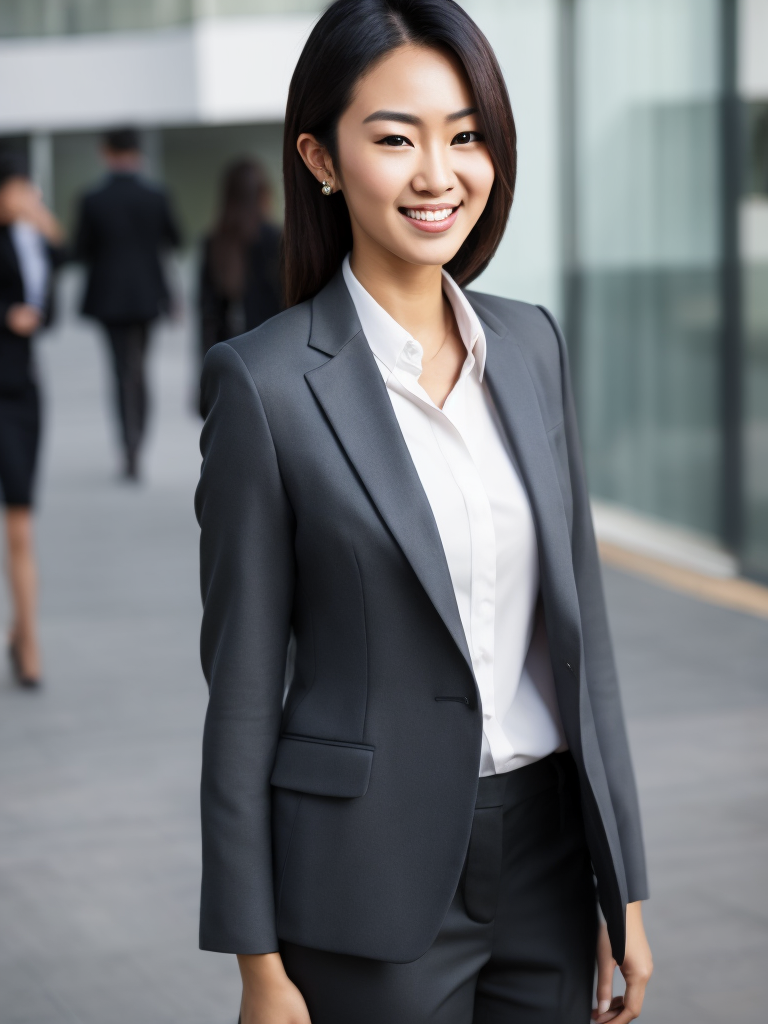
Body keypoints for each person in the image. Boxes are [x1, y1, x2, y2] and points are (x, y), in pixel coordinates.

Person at [195, 2, 653, 1023]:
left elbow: (587, 646)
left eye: (467, 134)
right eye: (396, 138)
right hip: (365, 879)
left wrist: (623, 882)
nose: (439, 173)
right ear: (320, 156)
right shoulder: (263, 387)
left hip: (548, 861)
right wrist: (257, 965)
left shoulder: (532, 346)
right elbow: (237, 695)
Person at [75, 128, 181, 481]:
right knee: (139, 370)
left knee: (121, 371)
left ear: (106, 152)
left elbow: (82, 250)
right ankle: (138, 445)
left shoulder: (92, 198)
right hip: (148, 294)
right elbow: (175, 240)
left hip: (108, 297)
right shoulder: (156, 195)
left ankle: (129, 446)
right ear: (139, 152)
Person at [0, 156, 65, 688]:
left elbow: (51, 310)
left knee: (20, 524)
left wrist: (44, 230)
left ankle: (27, 636)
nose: (25, 196)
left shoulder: (30, 242)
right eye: (18, 188)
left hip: (19, 395)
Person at [198, 158, 281, 411]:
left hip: (231, 358)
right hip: (274, 356)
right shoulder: (276, 238)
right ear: (264, 193)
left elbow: (207, 315)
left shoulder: (214, 241)